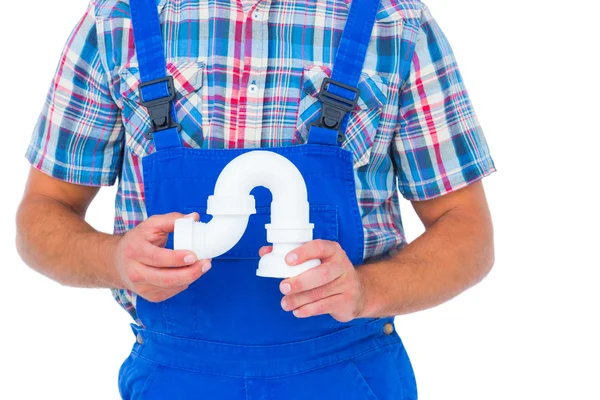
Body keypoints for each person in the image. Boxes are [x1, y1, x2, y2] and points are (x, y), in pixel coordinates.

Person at [16, 0, 496, 398]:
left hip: (347, 375)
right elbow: (42, 213)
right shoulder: (118, 21)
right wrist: (116, 259)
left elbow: (467, 230)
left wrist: (367, 289)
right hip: (176, 378)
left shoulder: (395, 23)